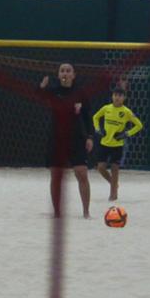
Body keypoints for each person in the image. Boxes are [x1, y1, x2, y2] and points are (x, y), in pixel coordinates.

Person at [40, 64, 94, 218]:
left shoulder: (80, 93)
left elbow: (87, 117)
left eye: (68, 71)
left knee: (82, 173)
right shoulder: (53, 92)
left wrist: (90, 137)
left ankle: (86, 212)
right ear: (58, 75)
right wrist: (41, 87)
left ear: (74, 75)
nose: (65, 73)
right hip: (56, 138)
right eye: (62, 71)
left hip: (76, 138)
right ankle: (57, 212)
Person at [91, 87, 144, 201]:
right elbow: (95, 117)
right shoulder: (106, 108)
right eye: (115, 95)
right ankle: (113, 183)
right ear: (112, 96)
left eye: (120, 96)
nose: (117, 98)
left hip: (117, 145)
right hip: (104, 143)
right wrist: (97, 129)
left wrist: (126, 134)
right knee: (100, 168)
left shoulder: (126, 111)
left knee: (115, 169)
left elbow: (139, 125)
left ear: (124, 98)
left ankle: (113, 195)